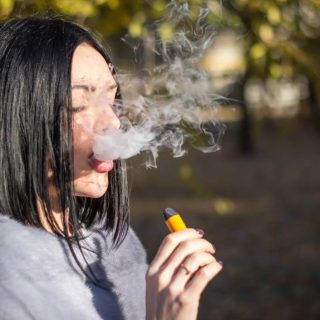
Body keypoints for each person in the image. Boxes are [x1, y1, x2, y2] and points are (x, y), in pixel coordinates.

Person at [0, 16, 223, 320]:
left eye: (111, 97)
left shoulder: (115, 248)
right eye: (79, 103)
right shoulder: (10, 288)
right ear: (18, 119)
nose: (113, 122)